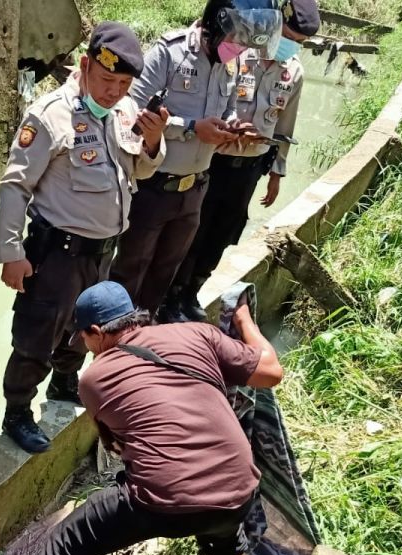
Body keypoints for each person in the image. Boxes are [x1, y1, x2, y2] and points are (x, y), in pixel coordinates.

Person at [0, 281, 283, 555]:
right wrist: (243, 319)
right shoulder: (198, 332)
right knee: (226, 539)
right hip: (238, 486)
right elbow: (271, 371)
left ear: (95, 333)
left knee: (71, 540)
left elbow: (118, 447)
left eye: (84, 338)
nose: (86, 345)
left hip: (163, 497)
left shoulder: (94, 378)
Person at [0, 22, 169, 455]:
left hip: (102, 252)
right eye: (107, 80)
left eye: (124, 83)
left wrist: (153, 142)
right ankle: (17, 412)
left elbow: (140, 171)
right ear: (86, 66)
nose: (114, 91)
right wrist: (11, 252)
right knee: (38, 335)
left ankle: (64, 383)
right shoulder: (50, 114)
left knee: (83, 330)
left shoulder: (126, 112)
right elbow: (15, 186)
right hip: (57, 253)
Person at [108, 0, 319, 321]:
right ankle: (110, 348)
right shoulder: (170, 53)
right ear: (217, 26)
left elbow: (230, 109)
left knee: (164, 274)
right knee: (130, 270)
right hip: (153, 183)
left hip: (196, 187)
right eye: (237, 40)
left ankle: (146, 338)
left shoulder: (229, 64)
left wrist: (233, 126)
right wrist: (192, 128)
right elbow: (128, 113)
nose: (241, 49)